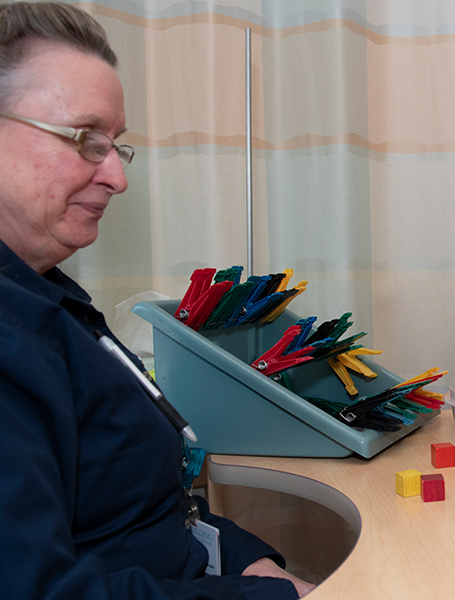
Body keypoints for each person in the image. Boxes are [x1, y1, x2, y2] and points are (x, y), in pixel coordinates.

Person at [0, 3, 314, 598]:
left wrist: (247, 559)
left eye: (115, 146)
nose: (117, 178)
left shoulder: (50, 295)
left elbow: (140, 510)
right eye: (86, 139)